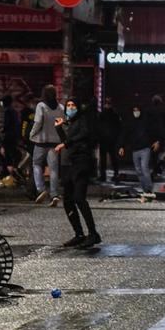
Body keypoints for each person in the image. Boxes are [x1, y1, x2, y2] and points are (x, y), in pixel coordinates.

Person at [54, 97, 102, 247]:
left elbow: (83, 135)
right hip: (72, 164)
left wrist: (66, 142)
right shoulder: (72, 123)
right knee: (67, 200)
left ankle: (93, 234)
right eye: (68, 105)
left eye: (73, 105)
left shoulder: (83, 120)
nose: (70, 107)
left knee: (79, 198)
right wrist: (58, 128)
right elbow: (66, 143)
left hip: (82, 162)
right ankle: (78, 234)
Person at [30, 84, 64, 207]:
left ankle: (41, 189)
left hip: (41, 141)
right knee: (53, 169)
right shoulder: (60, 107)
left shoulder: (41, 106)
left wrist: (31, 134)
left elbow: (38, 122)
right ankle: (54, 194)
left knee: (37, 164)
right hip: (55, 142)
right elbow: (62, 124)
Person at [119, 104, 157, 193]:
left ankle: (149, 189)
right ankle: (145, 189)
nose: (136, 112)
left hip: (145, 149)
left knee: (144, 168)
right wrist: (121, 146)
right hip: (135, 150)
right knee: (138, 170)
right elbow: (124, 134)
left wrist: (156, 141)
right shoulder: (130, 122)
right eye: (134, 110)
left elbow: (153, 130)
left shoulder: (145, 121)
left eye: (137, 110)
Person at [0, 95, 20, 185]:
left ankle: (11, 175)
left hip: (9, 137)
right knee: (9, 155)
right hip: (14, 137)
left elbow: (7, 124)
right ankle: (8, 174)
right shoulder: (14, 111)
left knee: (5, 155)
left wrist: (2, 130)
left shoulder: (8, 111)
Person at [147, 95, 165, 177]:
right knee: (163, 151)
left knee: (154, 153)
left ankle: (155, 169)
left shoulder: (149, 110)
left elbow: (147, 123)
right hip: (162, 134)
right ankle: (159, 166)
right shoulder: (163, 110)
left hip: (153, 135)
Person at [98, 97, 122, 184]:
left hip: (107, 139)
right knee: (111, 158)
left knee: (109, 158)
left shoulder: (105, 114)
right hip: (109, 139)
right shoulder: (114, 114)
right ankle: (112, 174)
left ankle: (106, 175)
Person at [20, 94, 37, 199]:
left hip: (32, 143)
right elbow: (24, 127)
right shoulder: (31, 112)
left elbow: (24, 127)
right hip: (35, 143)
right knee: (34, 167)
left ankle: (32, 191)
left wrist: (24, 139)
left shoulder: (26, 113)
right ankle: (32, 191)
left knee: (33, 167)